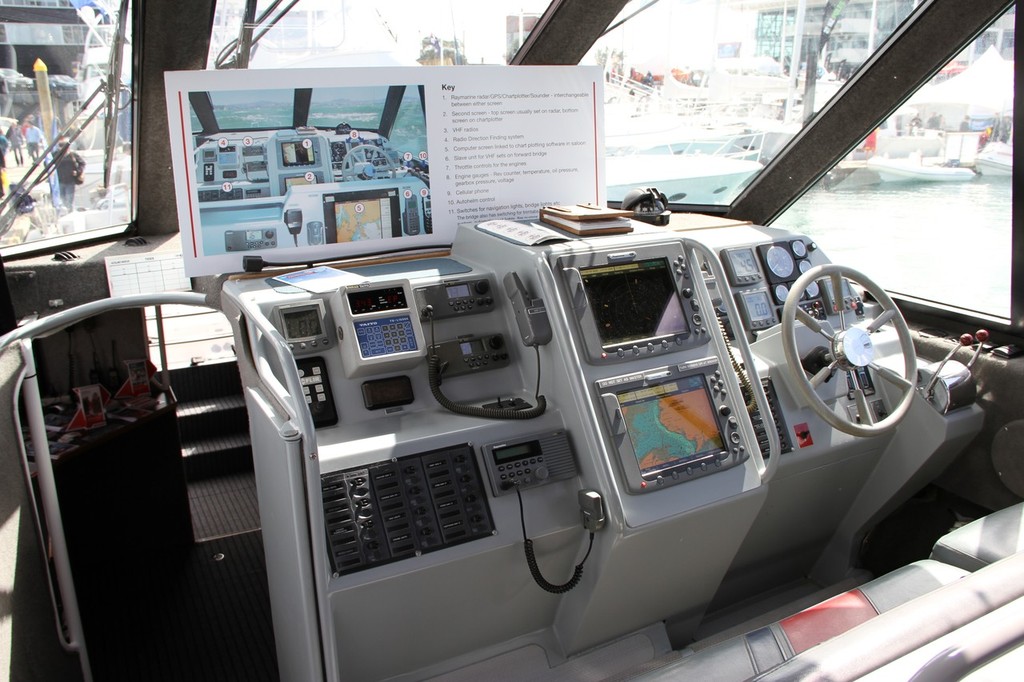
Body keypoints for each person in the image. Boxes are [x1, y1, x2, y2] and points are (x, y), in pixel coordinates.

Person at [55, 137, 85, 212]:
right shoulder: (55, 155)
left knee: (69, 199)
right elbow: (47, 163)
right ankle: (64, 212)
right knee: (62, 199)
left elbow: (82, 163)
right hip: (60, 180)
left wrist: (78, 171)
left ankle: (70, 212)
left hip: (70, 181)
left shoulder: (73, 155)